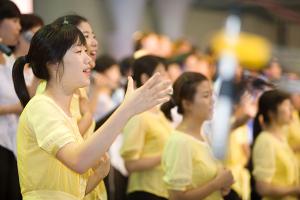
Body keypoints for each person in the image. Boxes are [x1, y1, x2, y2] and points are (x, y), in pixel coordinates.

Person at [12, 22, 172, 200]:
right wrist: (126, 110)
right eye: (79, 52)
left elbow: (69, 191)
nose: (88, 59)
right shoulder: (41, 107)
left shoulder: (64, 113)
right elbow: (78, 161)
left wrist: (97, 176)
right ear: (54, 62)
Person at [161, 72, 234, 200]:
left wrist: (224, 184)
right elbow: (177, 196)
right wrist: (216, 184)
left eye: (212, 94)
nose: (212, 101)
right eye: (206, 96)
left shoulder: (203, 135)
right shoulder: (180, 142)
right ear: (187, 104)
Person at [120, 55, 173, 200]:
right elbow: (130, 164)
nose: (167, 77)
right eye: (162, 73)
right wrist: (165, 156)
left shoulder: (158, 113)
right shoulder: (139, 115)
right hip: (146, 192)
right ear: (145, 78)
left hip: (164, 191)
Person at [251, 90, 300, 200]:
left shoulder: (281, 138)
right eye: (287, 106)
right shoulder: (265, 141)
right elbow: (262, 188)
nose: (291, 109)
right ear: (271, 113)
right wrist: (295, 190)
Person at [0, 1, 22, 199]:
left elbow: (24, 97)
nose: (19, 27)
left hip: (12, 143)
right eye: (14, 20)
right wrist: (12, 109)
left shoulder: (9, 60)